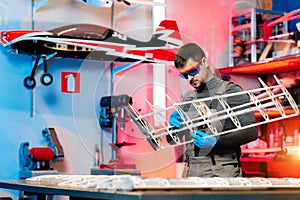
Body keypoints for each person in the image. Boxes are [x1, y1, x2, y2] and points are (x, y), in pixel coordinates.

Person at [169, 43, 258, 177]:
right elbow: (172, 140)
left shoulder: (231, 91)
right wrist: (172, 128)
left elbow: (251, 132)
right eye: (184, 75)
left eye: (192, 71)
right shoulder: (188, 98)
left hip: (222, 172)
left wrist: (217, 141)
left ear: (204, 62)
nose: (189, 79)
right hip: (192, 172)